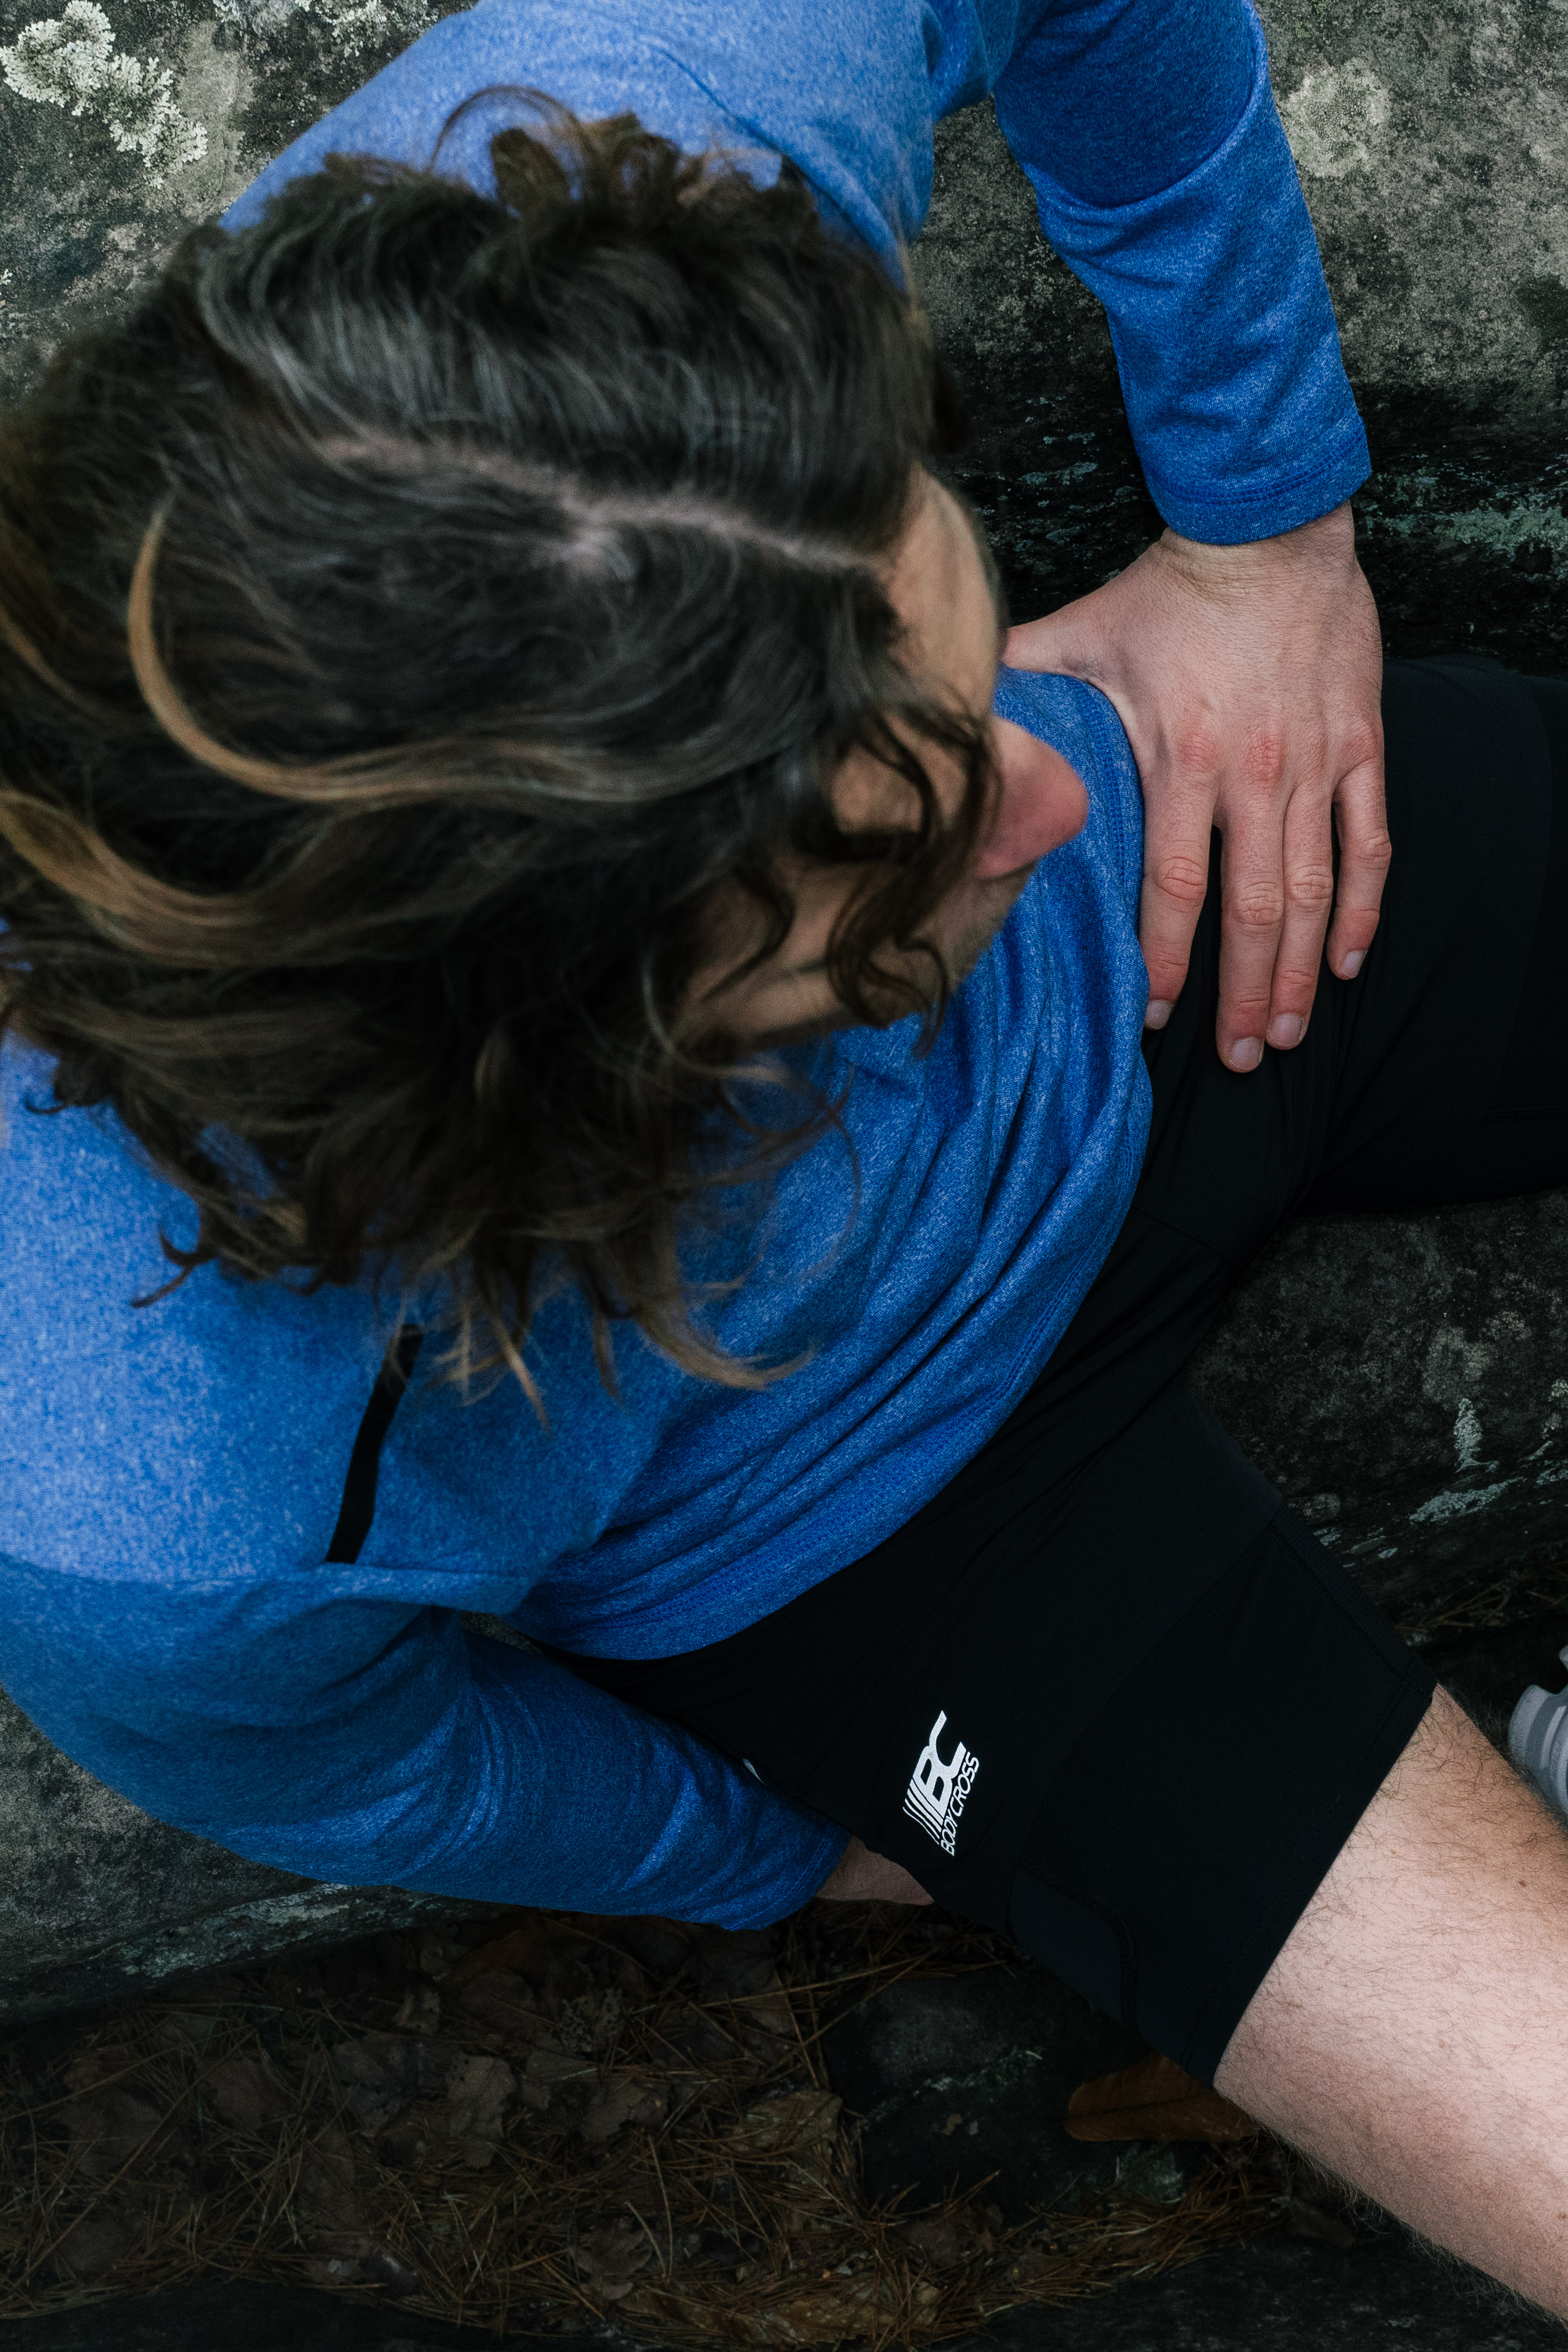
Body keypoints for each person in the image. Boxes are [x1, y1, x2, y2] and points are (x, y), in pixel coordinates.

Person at [3, 1, 1568, 2324]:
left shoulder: (647, 171)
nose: (1049, 785)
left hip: (1225, 894)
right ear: (552, 1070)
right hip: (857, 1529)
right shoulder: (139, 1493)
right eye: (891, 863)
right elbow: (367, 1763)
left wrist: (1262, 525)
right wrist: (778, 1855)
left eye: (951, 652)